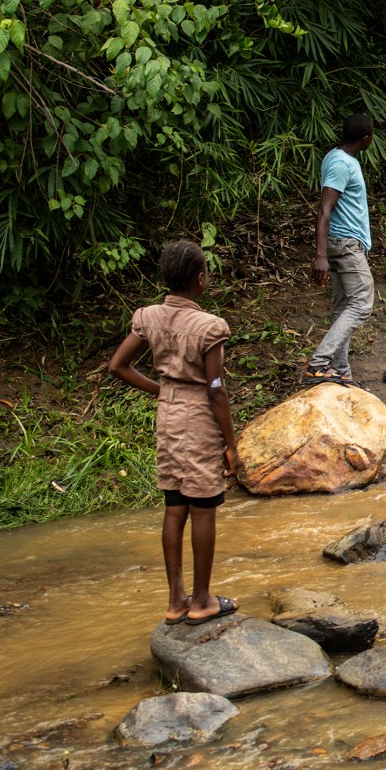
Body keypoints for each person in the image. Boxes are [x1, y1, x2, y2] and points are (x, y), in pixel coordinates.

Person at [109, 240, 242, 625]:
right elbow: (216, 391)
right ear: (201, 279)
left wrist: (162, 390)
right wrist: (231, 446)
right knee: (204, 505)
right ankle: (202, 601)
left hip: (167, 416)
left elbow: (118, 365)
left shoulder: (149, 317)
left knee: (174, 503)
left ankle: (175, 601)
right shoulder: (208, 326)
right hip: (199, 416)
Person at [307, 114, 375, 386]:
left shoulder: (339, 158)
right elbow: (325, 209)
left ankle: (340, 370)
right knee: (362, 303)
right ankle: (319, 363)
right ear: (365, 138)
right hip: (345, 244)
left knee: (343, 306)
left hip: (343, 242)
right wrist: (320, 255)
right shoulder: (341, 163)